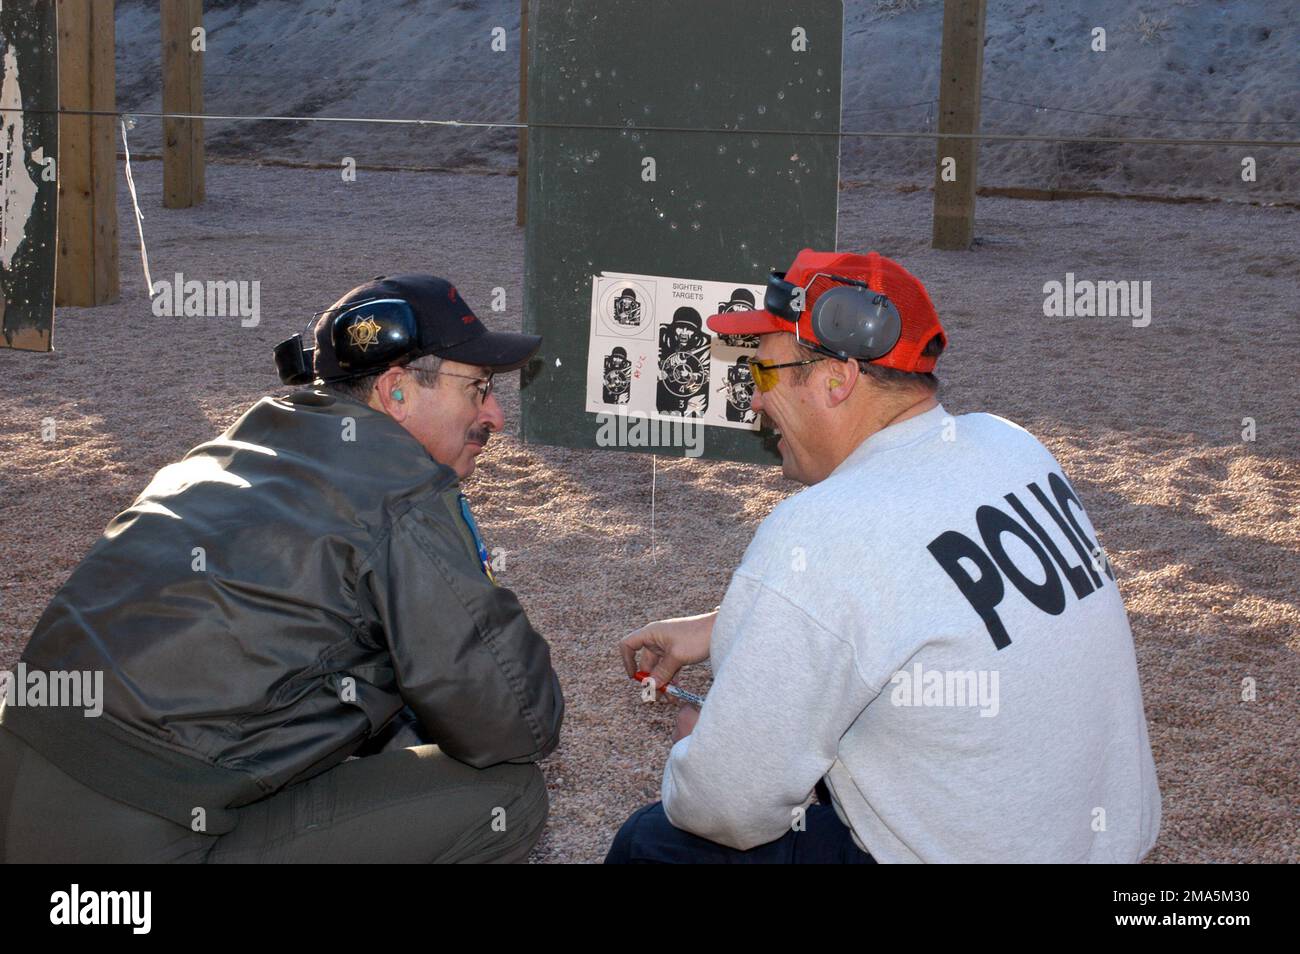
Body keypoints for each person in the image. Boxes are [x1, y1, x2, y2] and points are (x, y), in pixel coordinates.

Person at [607, 249, 1161, 863]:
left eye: (762, 375)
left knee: (652, 843)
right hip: (1102, 846)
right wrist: (727, 624)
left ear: (835, 380)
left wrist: (703, 752)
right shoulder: (1010, 445)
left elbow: (727, 808)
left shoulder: (822, 528)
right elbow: (921, 592)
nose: (754, 402)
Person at [0, 274, 564, 863]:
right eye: (477, 387)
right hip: (132, 849)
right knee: (508, 797)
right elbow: (513, 724)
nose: (495, 415)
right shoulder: (401, 490)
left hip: (24, 790)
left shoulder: (238, 447)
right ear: (396, 390)